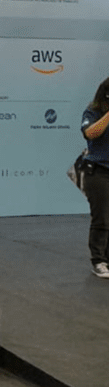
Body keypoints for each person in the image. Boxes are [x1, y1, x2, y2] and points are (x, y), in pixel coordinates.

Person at [80, 77, 109, 279]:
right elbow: (91, 133)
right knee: (102, 218)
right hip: (98, 171)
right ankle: (98, 260)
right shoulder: (93, 111)